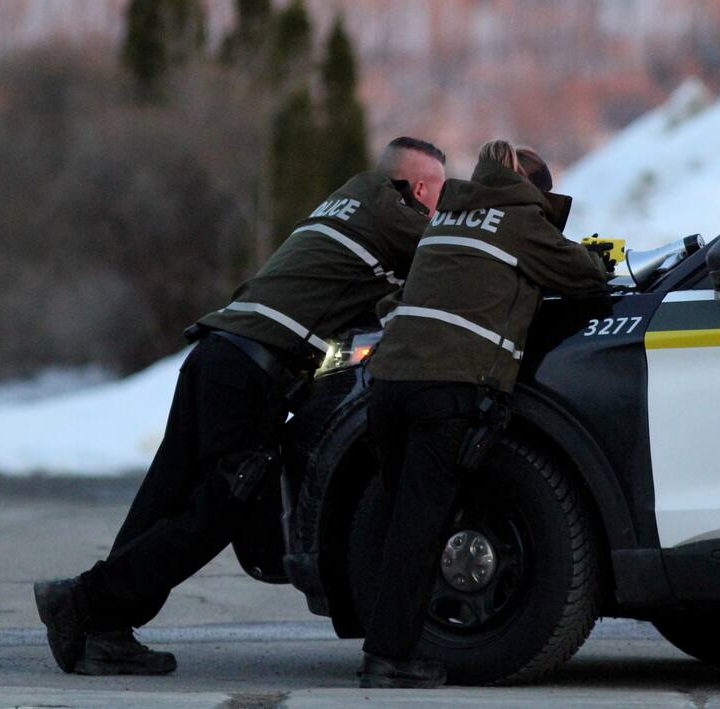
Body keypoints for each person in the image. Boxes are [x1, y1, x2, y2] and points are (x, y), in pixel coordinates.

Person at [33, 136, 447, 676]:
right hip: (249, 370)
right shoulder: (395, 213)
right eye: (441, 190)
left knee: (166, 496)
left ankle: (103, 632)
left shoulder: (351, 201)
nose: (442, 203)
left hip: (218, 352)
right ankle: (83, 602)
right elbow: (453, 254)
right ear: (418, 188)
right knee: (220, 507)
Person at [356, 139, 612, 689]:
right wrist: (599, 255)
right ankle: (387, 659)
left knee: (403, 524)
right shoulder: (523, 222)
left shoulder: (449, 217)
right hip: (445, 391)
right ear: (534, 192)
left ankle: (389, 645)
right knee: (422, 530)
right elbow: (585, 275)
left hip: (387, 388)